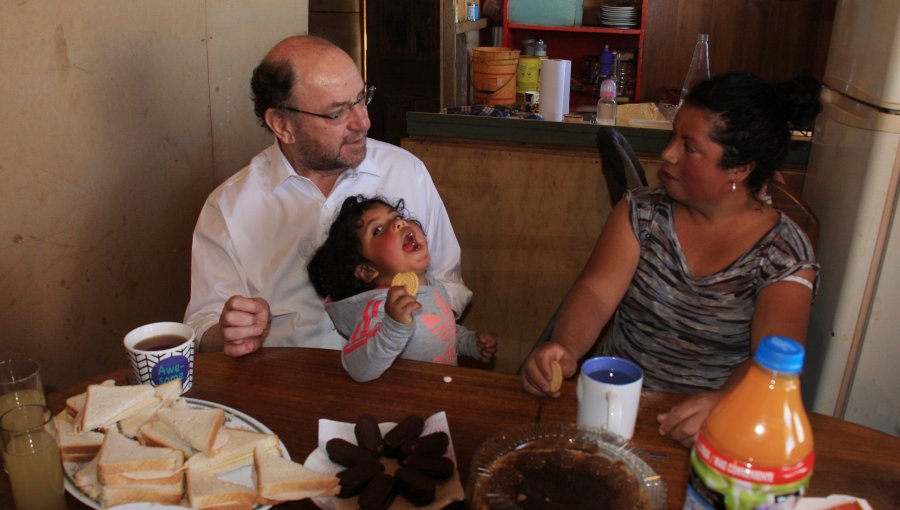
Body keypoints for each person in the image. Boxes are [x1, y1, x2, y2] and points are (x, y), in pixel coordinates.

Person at [520, 72, 822, 447]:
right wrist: (564, 346)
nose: (668, 153)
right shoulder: (642, 213)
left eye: (689, 146)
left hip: (707, 428)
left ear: (739, 170)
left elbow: (772, 363)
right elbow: (596, 293)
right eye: (673, 135)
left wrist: (724, 403)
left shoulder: (784, 254)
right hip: (613, 407)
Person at [184, 36, 471, 357]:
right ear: (282, 124)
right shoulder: (228, 207)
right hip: (286, 384)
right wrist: (228, 333)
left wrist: (419, 302)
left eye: (361, 98)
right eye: (337, 114)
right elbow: (201, 325)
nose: (363, 122)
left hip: (399, 379)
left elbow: (453, 286)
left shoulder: (405, 172)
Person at [308, 195, 497, 382]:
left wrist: (469, 343)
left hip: (441, 397)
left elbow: (440, 330)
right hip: (402, 407)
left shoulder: (433, 286)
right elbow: (357, 368)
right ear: (367, 270)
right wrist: (393, 327)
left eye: (397, 217)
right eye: (378, 230)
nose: (399, 224)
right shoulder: (380, 308)